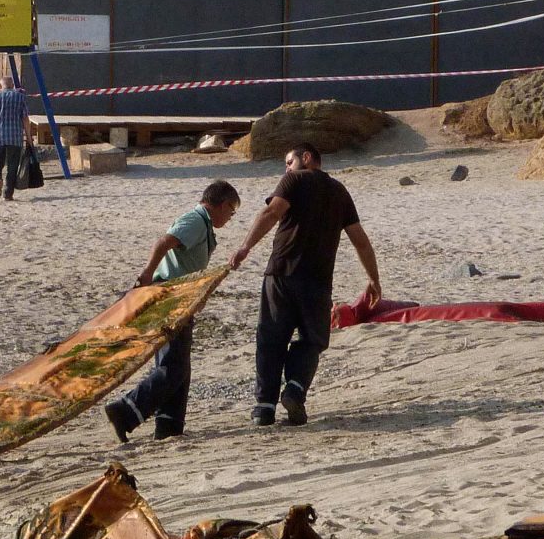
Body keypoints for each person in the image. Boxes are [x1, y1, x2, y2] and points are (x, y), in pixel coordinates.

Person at [229, 144, 382, 427]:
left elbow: (271, 213)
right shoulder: (339, 191)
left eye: (289, 161)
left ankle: (264, 407)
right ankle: (295, 390)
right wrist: (373, 278)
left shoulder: (294, 179)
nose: (286, 168)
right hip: (317, 281)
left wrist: (245, 247)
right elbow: (359, 238)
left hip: (282, 274)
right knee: (313, 340)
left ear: (307, 158)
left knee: (271, 339)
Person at [104, 181, 241, 442]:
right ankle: (126, 410)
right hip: (170, 297)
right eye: (232, 212)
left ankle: (170, 423)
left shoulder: (202, 225)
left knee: (179, 366)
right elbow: (164, 242)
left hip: (182, 298)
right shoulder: (196, 221)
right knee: (173, 366)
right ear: (222, 205)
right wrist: (146, 274)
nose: (230, 217)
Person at [0, 73, 30, 201]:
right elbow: (25, 119)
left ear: (0, 86)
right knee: (13, 166)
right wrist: (29, 137)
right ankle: (8, 194)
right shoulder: (20, 98)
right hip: (15, 137)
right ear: (13, 85)